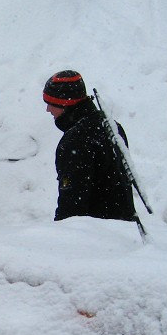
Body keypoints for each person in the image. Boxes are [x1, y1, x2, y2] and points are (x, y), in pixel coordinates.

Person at [43, 70, 135, 222]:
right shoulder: (111, 126)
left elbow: (72, 204)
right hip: (125, 229)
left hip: (96, 235)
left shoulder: (75, 141)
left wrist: (61, 234)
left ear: (64, 103)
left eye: (51, 104)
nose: (48, 110)